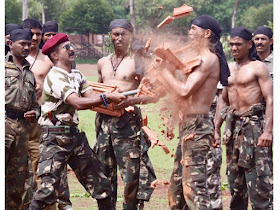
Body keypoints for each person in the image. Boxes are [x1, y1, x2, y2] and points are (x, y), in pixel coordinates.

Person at [28, 33, 125, 209]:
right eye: (66, 47)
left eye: (71, 45)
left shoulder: (77, 75)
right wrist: (108, 97)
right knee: (46, 192)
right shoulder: (55, 76)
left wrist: (115, 99)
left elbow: (92, 97)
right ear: (55, 55)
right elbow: (77, 102)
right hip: (54, 139)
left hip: (74, 138)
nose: (72, 49)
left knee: (103, 187)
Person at [154, 15, 230, 209]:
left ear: (207, 33)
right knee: (177, 189)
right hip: (187, 125)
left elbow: (184, 90)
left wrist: (162, 73)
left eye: (194, 29)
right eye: (189, 29)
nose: (189, 33)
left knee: (193, 188)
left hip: (198, 125)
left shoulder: (209, 59)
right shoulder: (195, 59)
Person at [94, 19, 157, 210]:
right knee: (104, 173)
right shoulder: (102, 62)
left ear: (130, 35)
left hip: (127, 123)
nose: (119, 38)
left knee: (131, 176)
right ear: (110, 36)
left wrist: (131, 101)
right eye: (115, 34)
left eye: (123, 34)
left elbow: (153, 95)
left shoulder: (137, 62)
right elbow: (97, 92)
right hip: (104, 123)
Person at [215, 27, 273, 210]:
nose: (233, 48)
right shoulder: (228, 68)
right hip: (233, 129)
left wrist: (268, 132)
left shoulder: (258, 67)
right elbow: (222, 101)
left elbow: (271, 100)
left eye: (238, 44)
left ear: (249, 45)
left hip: (254, 128)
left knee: (259, 183)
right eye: (231, 44)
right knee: (235, 182)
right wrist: (216, 129)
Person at [5, 28, 40, 210]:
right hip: (4, 126)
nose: (27, 47)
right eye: (22, 44)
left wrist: (35, 112)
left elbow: (34, 103)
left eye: (29, 44)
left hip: (22, 131)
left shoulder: (29, 74)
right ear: (10, 44)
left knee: (16, 182)